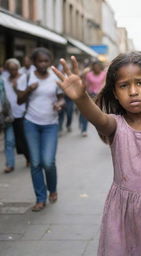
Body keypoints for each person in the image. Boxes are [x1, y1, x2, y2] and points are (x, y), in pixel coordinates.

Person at [52, 51, 141, 255]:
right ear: (116, 93)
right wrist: (81, 98)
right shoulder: (115, 124)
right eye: (124, 85)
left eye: (140, 83)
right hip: (121, 211)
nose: (133, 91)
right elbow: (98, 119)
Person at [17, 47, 65, 212]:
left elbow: (61, 98)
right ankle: (40, 198)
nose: (43, 64)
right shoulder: (27, 76)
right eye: (39, 61)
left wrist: (59, 104)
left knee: (48, 162)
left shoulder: (55, 77)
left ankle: (52, 189)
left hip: (50, 124)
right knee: (36, 163)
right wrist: (29, 89)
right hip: (31, 123)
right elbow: (19, 101)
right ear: (34, 61)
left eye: (46, 61)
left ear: (50, 61)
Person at [2, 58, 30, 173]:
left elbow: (25, 95)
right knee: (9, 141)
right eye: (10, 69)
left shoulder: (24, 77)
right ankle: (10, 164)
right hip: (8, 115)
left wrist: (15, 87)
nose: (12, 71)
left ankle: (29, 157)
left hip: (22, 114)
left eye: (14, 69)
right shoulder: (4, 80)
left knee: (22, 140)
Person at [79, 61, 106, 137]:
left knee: (99, 113)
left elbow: (105, 83)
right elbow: (86, 84)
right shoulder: (88, 74)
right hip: (90, 95)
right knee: (85, 112)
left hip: (100, 96)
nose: (96, 68)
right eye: (95, 67)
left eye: (98, 66)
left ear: (100, 67)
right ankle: (84, 129)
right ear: (93, 68)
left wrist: (101, 92)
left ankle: (102, 131)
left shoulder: (104, 74)